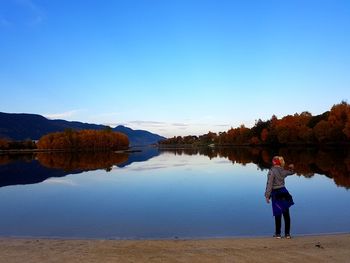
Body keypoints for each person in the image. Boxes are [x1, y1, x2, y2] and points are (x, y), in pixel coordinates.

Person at [265, 156, 295, 239]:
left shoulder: (271, 171)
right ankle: (287, 234)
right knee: (286, 214)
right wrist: (291, 168)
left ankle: (278, 234)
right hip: (284, 193)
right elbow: (291, 172)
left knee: (278, 213)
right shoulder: (283, 170)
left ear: (274, 162)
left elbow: (269, 184)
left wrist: (267, 196)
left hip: (276, 194)